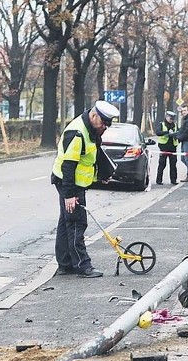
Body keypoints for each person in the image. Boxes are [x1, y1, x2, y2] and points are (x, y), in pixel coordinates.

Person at [51, 100, 119, 278]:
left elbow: (90, 157)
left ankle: (65, 265)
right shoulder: (78, 132)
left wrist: (101, 175)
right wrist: (69, 195)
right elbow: (69, 165)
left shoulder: (91, 129)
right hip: (69, 184)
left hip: (74, 183)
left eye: (107, 125)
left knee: (66, 224)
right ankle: (83, 266)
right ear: (94, 115)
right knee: (76, 223)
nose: (104, 127)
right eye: (103, 123)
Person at [155, 110, 179, 185]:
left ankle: (173, 180)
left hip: (173, 147)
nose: (171, 120)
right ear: (166, 117)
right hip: (163, 147)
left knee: (173, 164)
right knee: (162, 164)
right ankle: (159, 180)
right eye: (170, 118)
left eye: (172, 119)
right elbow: (158, 133)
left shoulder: (175, 125)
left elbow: (179, 132)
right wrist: (167, 133)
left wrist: (176, 135)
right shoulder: (161, 124)